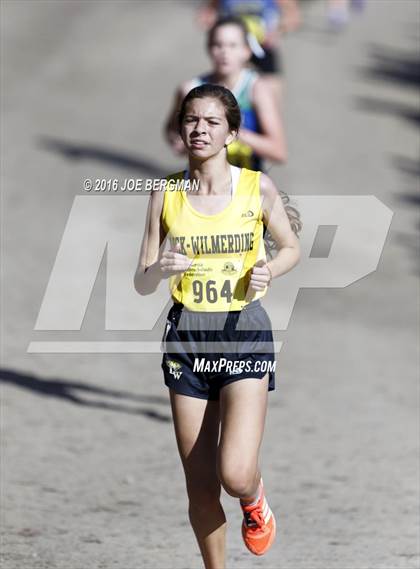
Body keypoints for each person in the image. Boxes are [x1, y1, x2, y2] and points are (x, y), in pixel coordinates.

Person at [135, 84, 301, 569]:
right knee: (202, 486)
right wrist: (160, 268)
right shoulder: (165, 192)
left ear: (231, 132)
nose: (199, 129)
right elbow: (142, 282)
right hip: (187, 340)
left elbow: (290, 247)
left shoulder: (255, 188)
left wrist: (272, 269)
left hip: (243, 333)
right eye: (191, 119)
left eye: (211, 122)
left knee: (234, 474)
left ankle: (254, 500)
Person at [165, 16, 287, 171]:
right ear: (208, 48)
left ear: (247, 51)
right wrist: (178, 141)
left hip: (247, 185)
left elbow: (279, 152)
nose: (224, 52)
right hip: (202, 183)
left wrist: (230, 131)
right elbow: (172, 131)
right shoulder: (190, 89)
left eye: (232, 45)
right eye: (218, 45)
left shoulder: (257, 89)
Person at [196, 0, 302, 101]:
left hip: (264, 49)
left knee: (271, 96)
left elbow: (293, 16)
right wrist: (217, 32)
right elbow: (207, 14)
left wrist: (277, 32)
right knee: (229, 96)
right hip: (234, 50)